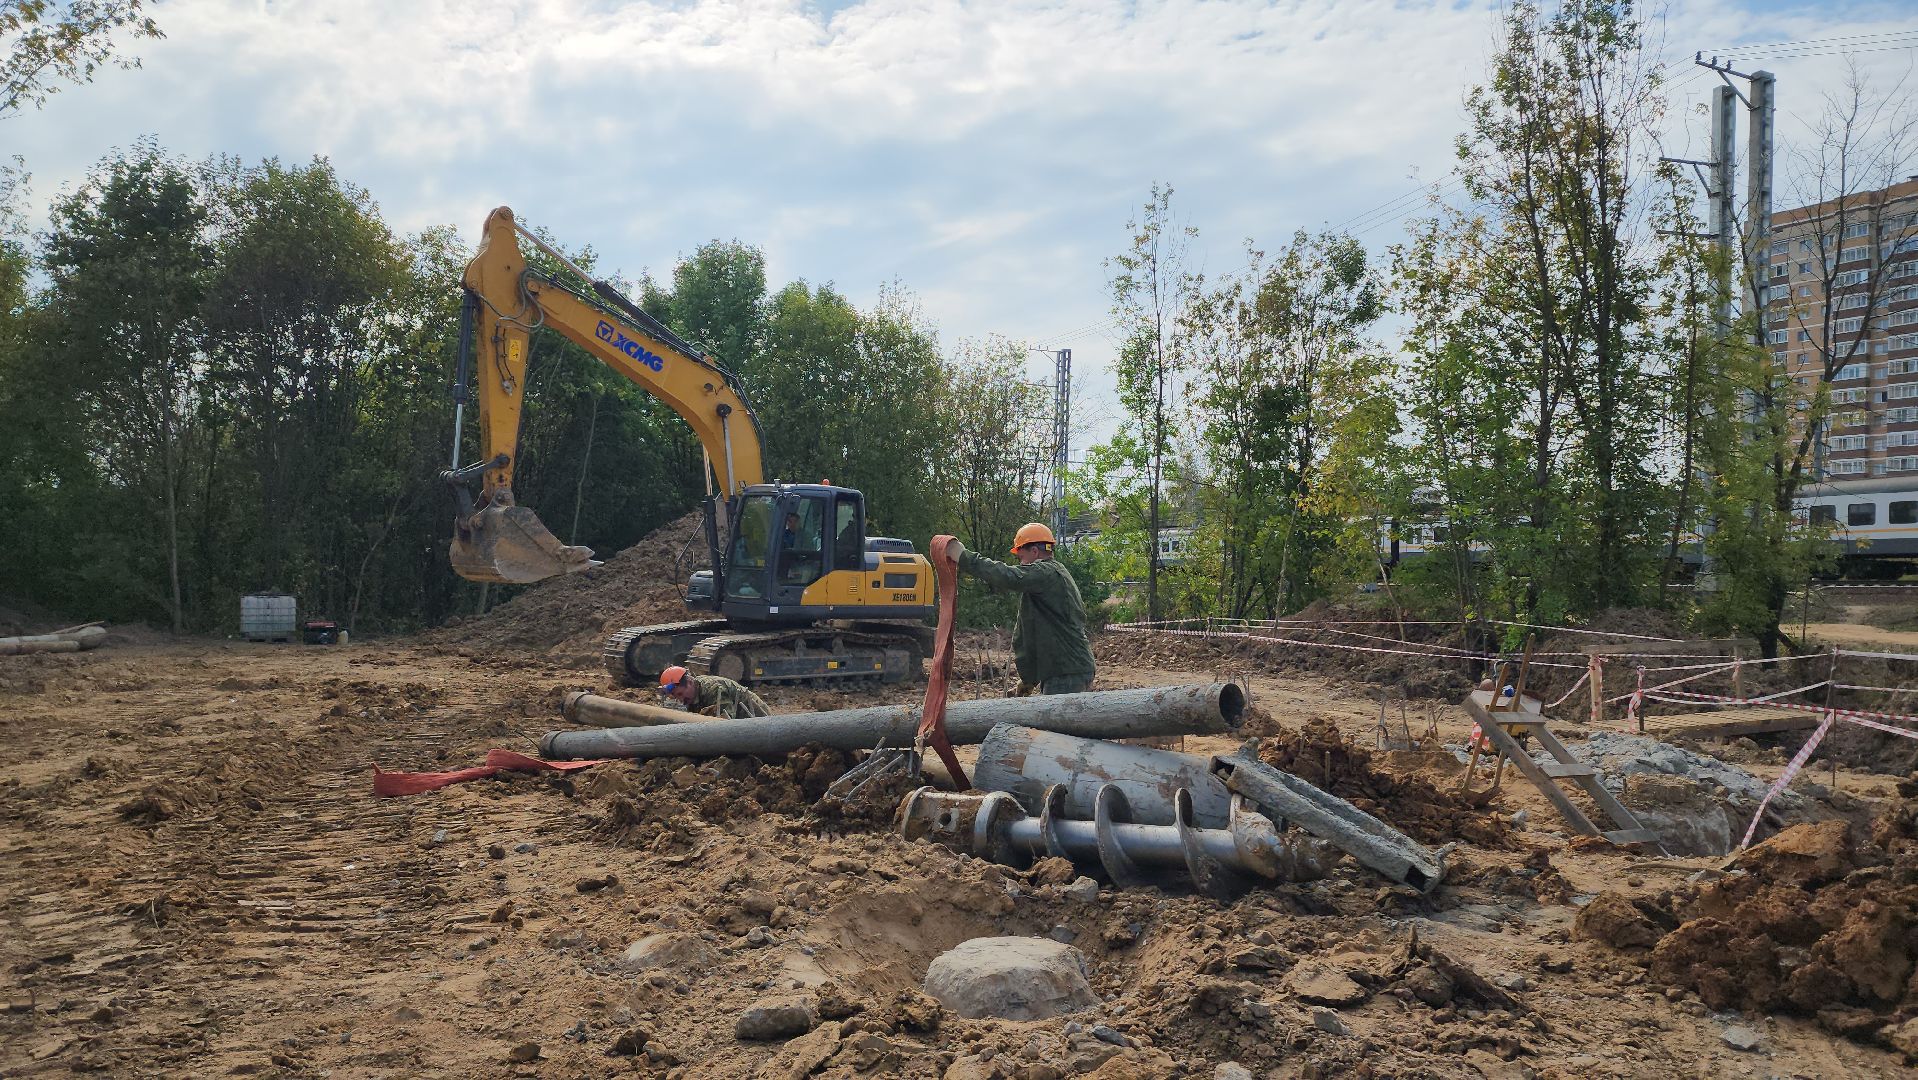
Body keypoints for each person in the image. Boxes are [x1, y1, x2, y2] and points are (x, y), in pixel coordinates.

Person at [940, 523, 1096, 695]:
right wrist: (1028, 681)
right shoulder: (1052, 575)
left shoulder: (1045, 573)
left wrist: (962, 556)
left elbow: (1007, 576)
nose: (1020, 563)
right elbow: (1037, 635)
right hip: (1068, 670)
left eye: (1021, 557)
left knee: (1058, 714)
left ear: (1034, 552)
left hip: (1066, 673)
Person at [659, 665, 770, 719]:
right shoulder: (692, 695)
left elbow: (725, 722)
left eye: (680, 694)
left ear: (690, 682)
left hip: (758, 717)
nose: (681, 700)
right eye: (676, 696)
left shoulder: (713, 689)